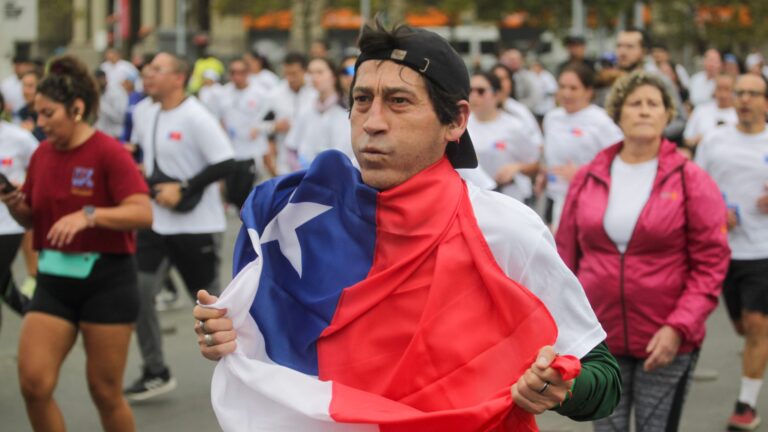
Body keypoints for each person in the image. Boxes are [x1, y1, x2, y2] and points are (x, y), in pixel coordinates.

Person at [193, 20, 621, 431]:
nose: (373, 122)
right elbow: (267, 336)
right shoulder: (297, 217)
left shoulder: (504, 229)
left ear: (455, 121)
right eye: (362, 100)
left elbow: (602, 378)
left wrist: (560, 387)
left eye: (399, 101)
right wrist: (231, 337)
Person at [556, 70, 730, 432]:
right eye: (635, 103)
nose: (644, 111)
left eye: (654, 104)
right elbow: (564, 262)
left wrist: (678, 327)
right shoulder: (588, 177)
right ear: (618, 114)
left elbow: (711, 264)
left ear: (668, 115)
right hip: (599, 341)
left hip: (666, 341)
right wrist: (568, 329)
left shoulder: (690, 178)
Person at [0, 55, 152, 432]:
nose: (41, 124)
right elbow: (34, 219)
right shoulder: (42, 154)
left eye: (48, 114)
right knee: (34, 384)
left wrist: (90, 215)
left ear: (77, 108)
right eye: (37, 114)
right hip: (54, 280)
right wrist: (17, 206)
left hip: (108, 281)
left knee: (104, 391)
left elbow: (142, 212)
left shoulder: (108, 151)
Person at [123, 52, 235, 401]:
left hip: (195, 226)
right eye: (147, 69)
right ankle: (155, 370)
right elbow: (145, 154)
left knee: (213, 308)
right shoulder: (145, 112)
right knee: (138, 295)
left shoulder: (196, 116)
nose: (147, 74)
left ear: (179, 77)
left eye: (157, 69)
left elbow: (226, 162)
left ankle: (243, 371)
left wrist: (184, 188)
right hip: (156, 223)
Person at [694, 73, 768, 431]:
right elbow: (696, 188)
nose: (745, 99)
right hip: (722, 249)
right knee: (741, 326)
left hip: (763, 249)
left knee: (756, 325)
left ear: (765, 102)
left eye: (753, 93)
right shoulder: (715, 141)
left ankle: (746, 405)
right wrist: (715, 212)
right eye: (740, 92)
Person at [540, 63, 623, 230]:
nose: (566, 93)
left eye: (573, 88)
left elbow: (620, 162)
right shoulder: (551, 118)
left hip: (588, 197)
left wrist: (583, 173)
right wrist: (543, 173)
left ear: (588, 91)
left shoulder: (601, 121)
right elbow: (550, 155)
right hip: (554, 196)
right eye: (562, 87)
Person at [466, 71, 539, 202]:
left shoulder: (514, 126)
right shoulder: (461, 126)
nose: (474, 96)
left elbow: (535, 164)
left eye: (481, 91)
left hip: (509, 197)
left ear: (497, 94)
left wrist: (517, 167)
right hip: (474, 199)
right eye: (470, 90)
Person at [0, 92, 38, 316]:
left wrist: (23, 187)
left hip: (8, 224)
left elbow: (45, 167)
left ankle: (34, 315)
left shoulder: (18, 138)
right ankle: (32, 312)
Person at [284, 57, 353, 171]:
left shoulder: (345, 110)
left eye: (320, 72)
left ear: (333, 76)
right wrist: (299, 170)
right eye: (311, 73)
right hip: (306, 176)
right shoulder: (306, 110)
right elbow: (291, 146)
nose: (314, 77)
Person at [218, 58, 268, 207]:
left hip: (252, 151)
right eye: (233, 72)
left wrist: (259, 128)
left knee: (247, 194)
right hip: (231, 151)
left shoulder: (261, 93)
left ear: (248, 73)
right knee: (233, 194)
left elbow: (269, 119)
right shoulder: (223, 93)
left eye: (241, 72)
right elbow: (217, 118)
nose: (237, 76)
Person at [259, 53, 317, 176]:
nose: (290, 78)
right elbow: (257, 126)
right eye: (287, 74)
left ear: (305, 71)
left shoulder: (315, 92)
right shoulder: (274, 95)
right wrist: (274, 127)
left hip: (313, 158)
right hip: (284, 161)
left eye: (294, 73)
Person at [683, 74, 737, 153]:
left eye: (727, 89)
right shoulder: (700, 110)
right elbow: (687, 139)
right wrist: (696, 141)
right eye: (719, 89)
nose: (723, 94)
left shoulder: (740, 114)